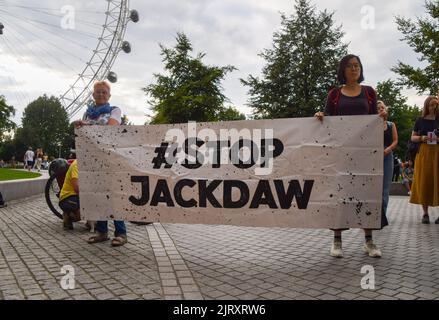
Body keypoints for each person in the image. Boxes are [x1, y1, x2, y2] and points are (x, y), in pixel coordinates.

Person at [315, 54, 387, 258]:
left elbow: (375, 121)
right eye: (350, 66)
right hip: (341, 154)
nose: (354, 69)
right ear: (343, 70)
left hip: (365, 153)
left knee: (367, 195)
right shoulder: (334, 94)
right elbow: (327, 118)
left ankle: (369, 241)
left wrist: (382, 118)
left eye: (357, 66)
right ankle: (337, 241)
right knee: (339, 195)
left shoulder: (370, 92)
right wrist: (320, 117)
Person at [75, 81, 128, 246]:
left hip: (110, 159)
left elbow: (110, 130)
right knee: (98, 195)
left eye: (104, 92)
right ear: (93, 95)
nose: (101, 94)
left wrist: (87, 125)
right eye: (98, 92)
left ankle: (121, 232)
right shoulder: (87, 113)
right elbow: (84, 135)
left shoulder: (115, 110)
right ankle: (102, 231)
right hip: (93, 159)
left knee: (113, 196)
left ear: (109, 95)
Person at [409, 96, 439, 224]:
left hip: (437, 152)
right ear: (427, 105)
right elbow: (412, 137)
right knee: (425, 181)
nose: (434, 107)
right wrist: (422, 138)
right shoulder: (420, 120)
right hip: (424, 153)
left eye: (436, 104)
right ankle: (425, 213)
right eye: (432, 104)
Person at [377, 101, 398, 224]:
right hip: (374, 155)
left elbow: (395, 141)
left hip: (387, 155)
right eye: (378, 108)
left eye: (382, 108)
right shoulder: (372, 124)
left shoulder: (391, 125)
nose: (381, 110)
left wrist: (388, 149)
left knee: (385, 186)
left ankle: (382, 214)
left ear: (386, 109)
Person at [59, 159, 80, 230]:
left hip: (75, 196)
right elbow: (76, 187)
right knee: (85, 209)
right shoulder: (76, 165)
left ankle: (90, 222)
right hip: (68, 197)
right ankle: (68, 215)